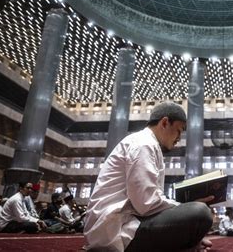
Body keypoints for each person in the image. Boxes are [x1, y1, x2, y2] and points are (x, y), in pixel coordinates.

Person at [84, 102, 213, 252]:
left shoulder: (146, 144)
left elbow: (146, 203)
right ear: (165, 123)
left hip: (125, 223)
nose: (179, 138)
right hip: (116, 230)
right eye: (178, 131)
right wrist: (183, 210)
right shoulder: (143, 144)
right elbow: (146, 203)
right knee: (200, 212)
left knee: (195, 214)